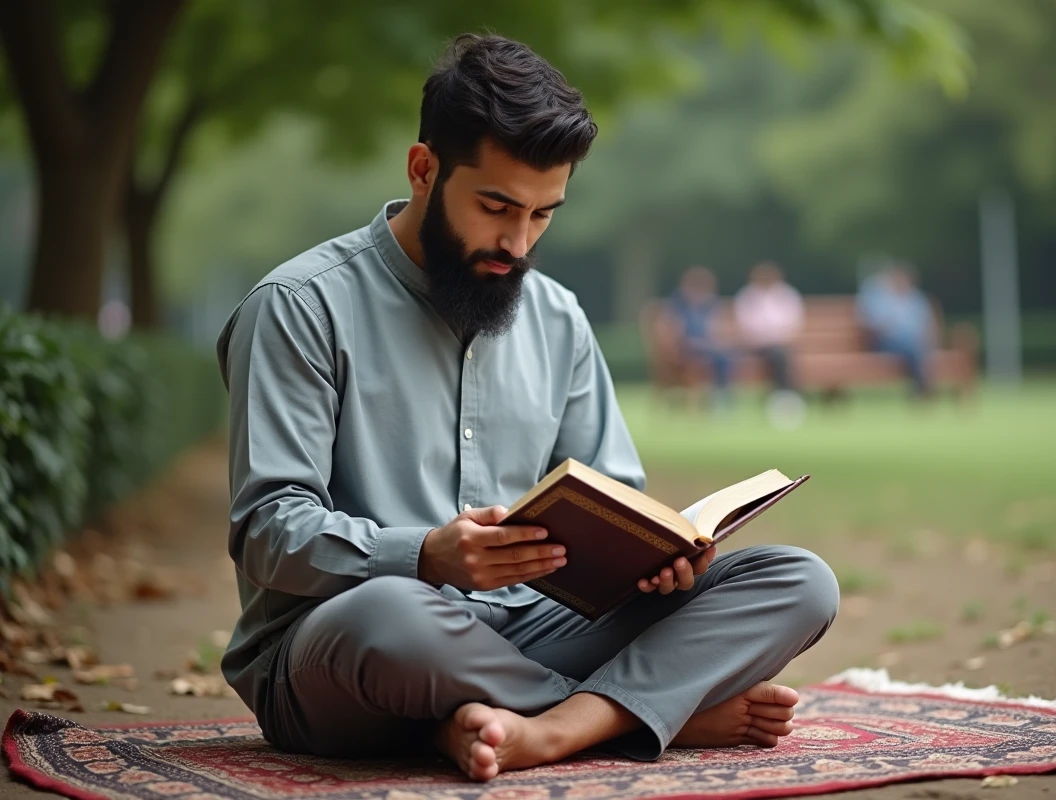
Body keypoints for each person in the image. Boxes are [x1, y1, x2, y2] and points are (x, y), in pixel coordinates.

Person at [217, 34, 839, 782]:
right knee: (391, 615)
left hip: (533, 632)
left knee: (799, 581)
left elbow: (614, 499)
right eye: (496, 206)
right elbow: (267, 530)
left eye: (544, 214)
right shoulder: (299, 306)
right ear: (423, 169)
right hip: (344, 649)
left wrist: (652, 561)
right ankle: (637, 715)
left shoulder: (558, 318)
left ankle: (520, 728)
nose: (518, 242)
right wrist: (423, 555)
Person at [733, 261, 806, 428]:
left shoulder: (787, 295)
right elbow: (746, 326)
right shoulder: (747, 297)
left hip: (781, 344)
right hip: (757, 346)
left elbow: (793, 323)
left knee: (780, 354)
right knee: (780, 356)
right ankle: (787, 399)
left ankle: (783, 399)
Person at [856, 262, 935, 397]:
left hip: (913, 342)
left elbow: (927, 324)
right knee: (911, 347)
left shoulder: (916, 299)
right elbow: (869, 322)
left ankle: (921, 388)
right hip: (886, 341)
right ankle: (923, 388)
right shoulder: (880, 297)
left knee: (913, 346)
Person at [666, 265, 734, 409]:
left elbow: (716, 328)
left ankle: (721, 396)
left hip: (708, 346)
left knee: (723, 357)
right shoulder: (678, 305)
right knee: (716, 356)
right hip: (686, 347)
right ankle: (718, 398)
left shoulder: (710, 305)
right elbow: (674, 329)